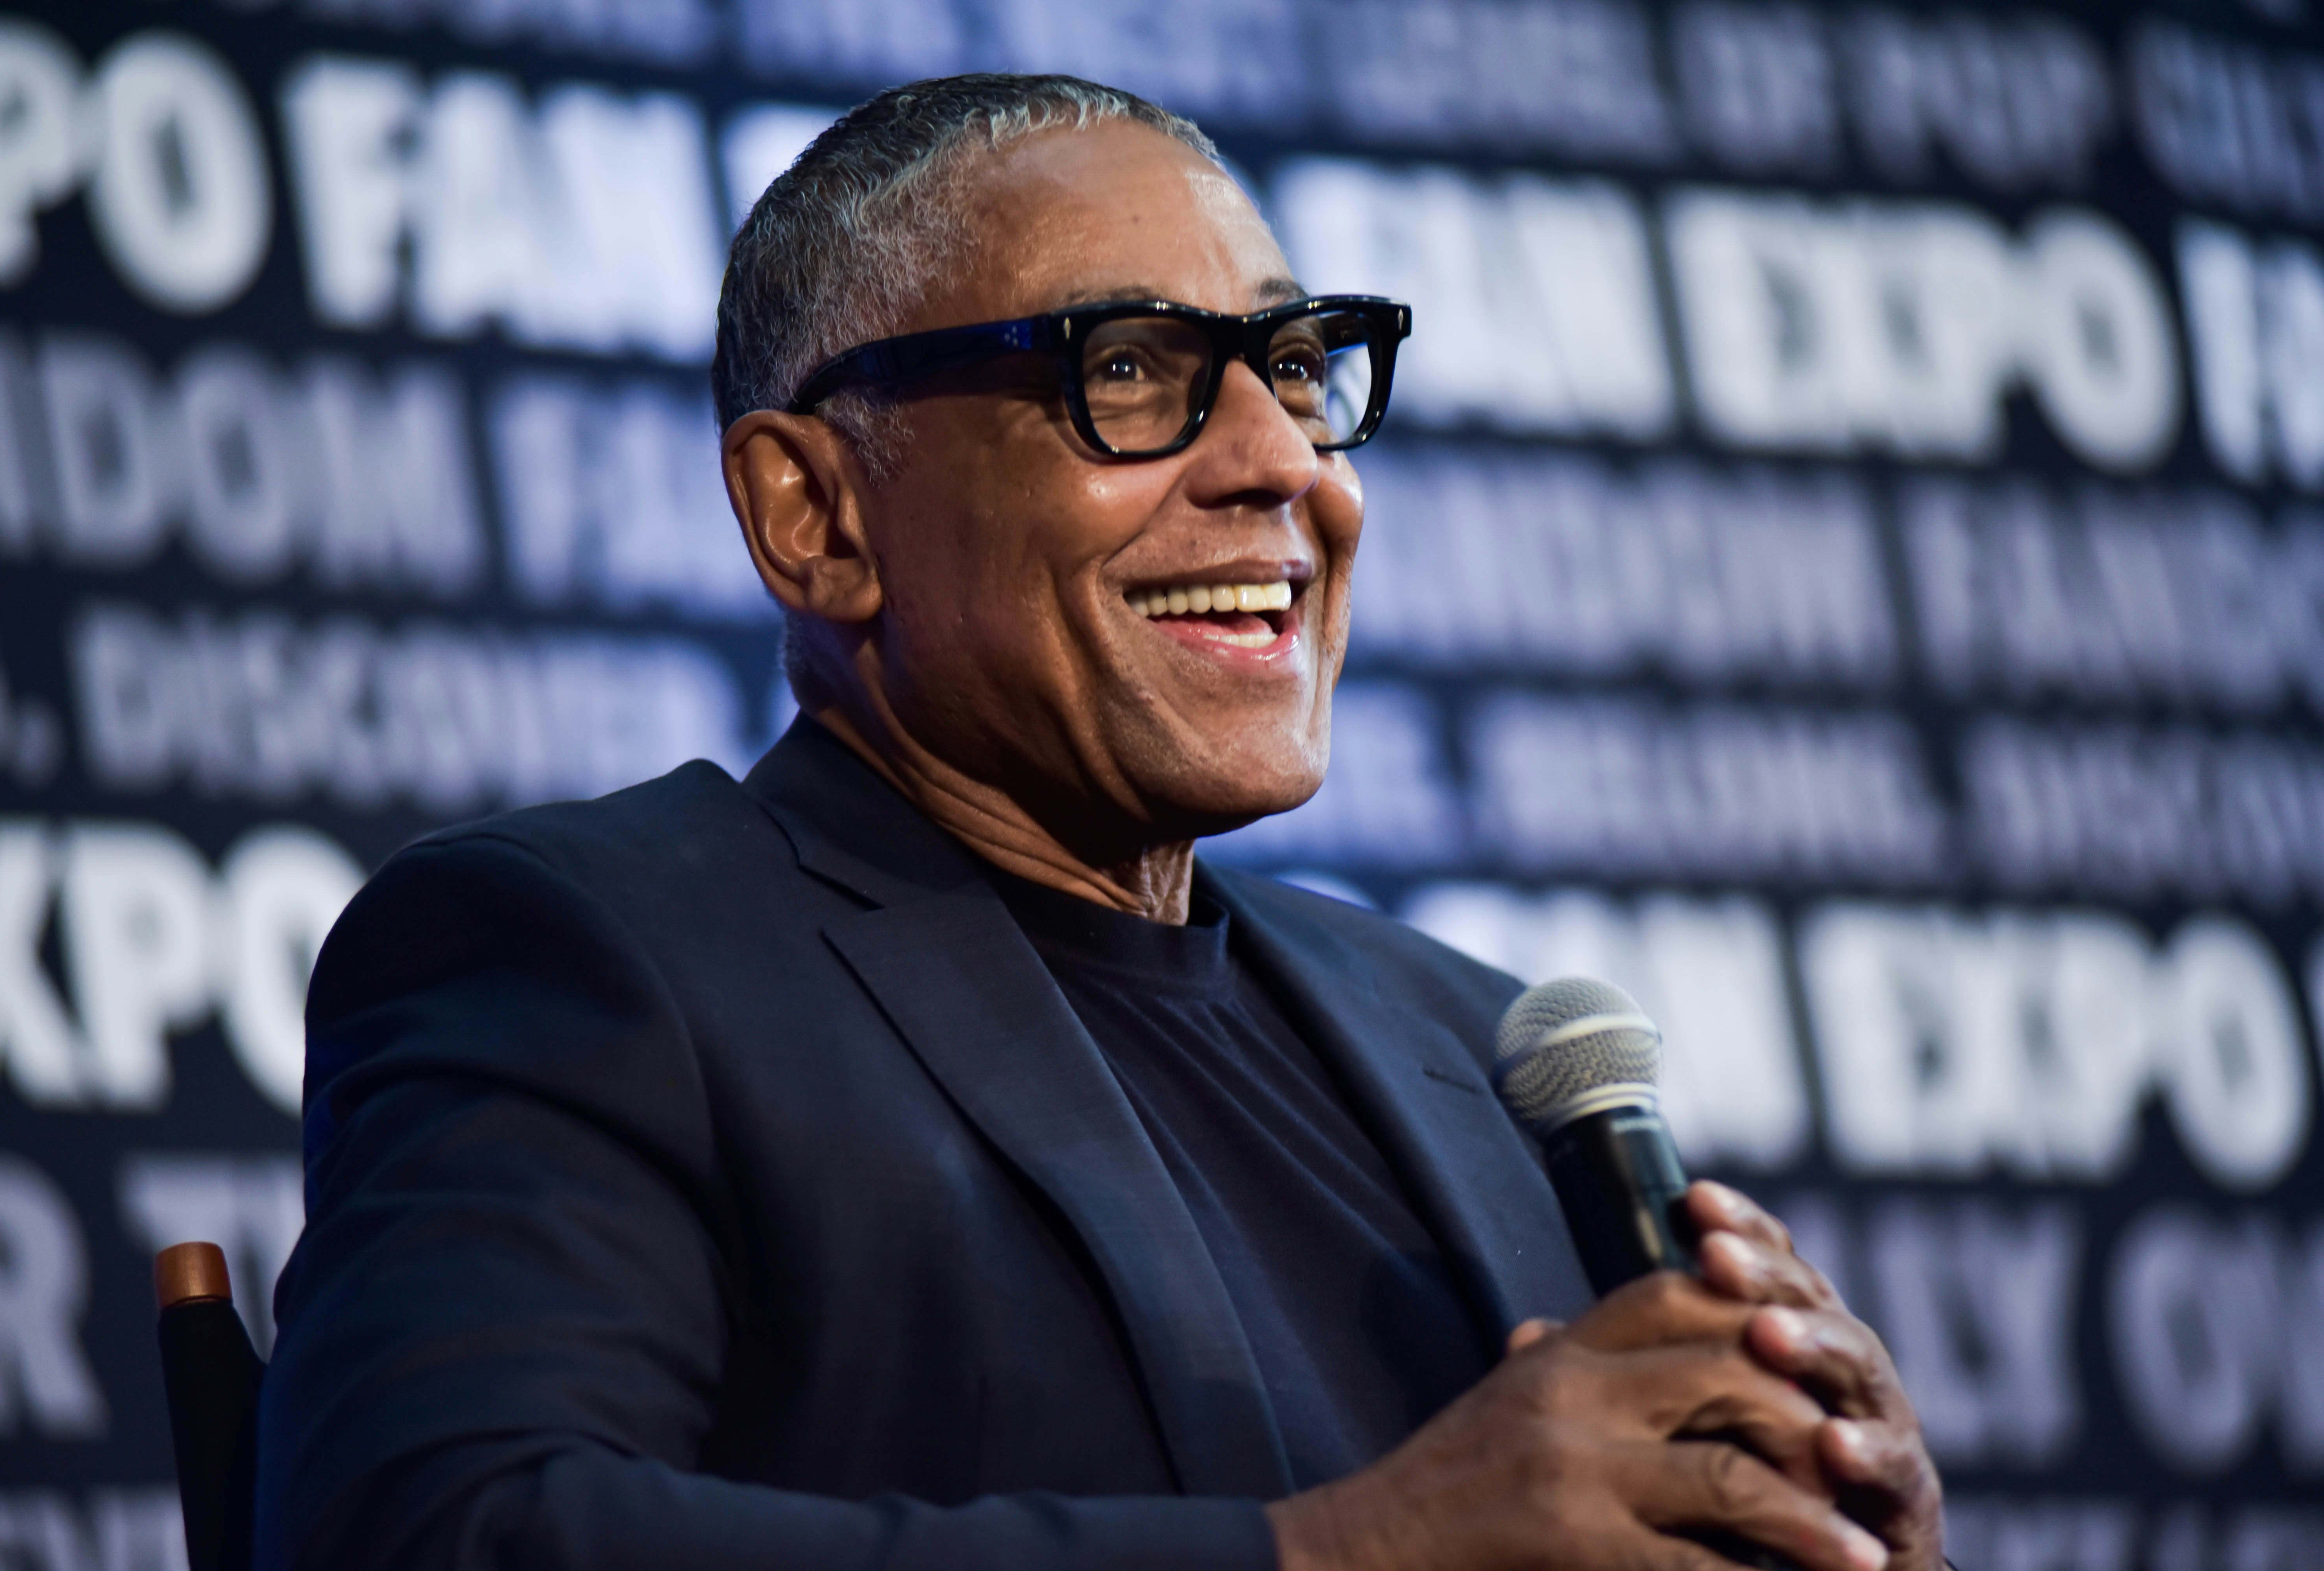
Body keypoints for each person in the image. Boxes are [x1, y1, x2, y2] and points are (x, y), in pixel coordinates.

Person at [258, 73, 1943, 1571]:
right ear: (814, 512)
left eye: (1294, 367)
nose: (1282, 460)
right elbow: (445, 1531)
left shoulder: (1474, 1043)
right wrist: (1350, 1551)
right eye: (1128, 370)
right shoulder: (590, 953)